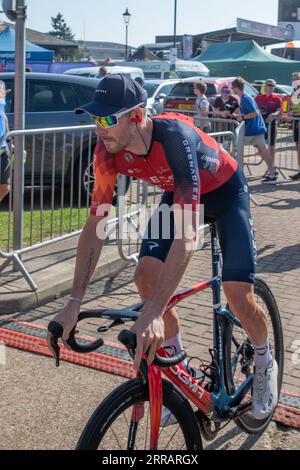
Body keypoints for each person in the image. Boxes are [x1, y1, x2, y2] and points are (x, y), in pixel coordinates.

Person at [47, 74, 278, 421]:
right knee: (145, 275)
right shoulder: (106, 152)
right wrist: (73, 302)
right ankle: (180, 374)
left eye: (108, 119)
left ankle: (264, 359)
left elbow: (186, 238)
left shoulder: (174, 138)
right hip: (181, 194)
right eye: (96, 119)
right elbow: (95, 225)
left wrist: (153, 312)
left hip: (226, 193)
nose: (99, 128)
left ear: (137, 116)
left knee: (237, 296)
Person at [231, 77, 277, 184]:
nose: (232, 90)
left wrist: (241, 117)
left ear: (237, 88)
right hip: (258, 129)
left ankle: (235, 175)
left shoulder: (245, 98)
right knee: (263, 152)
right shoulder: (246, 97)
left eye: (232, 88)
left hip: (252, 130)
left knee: (234, 148)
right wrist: (240, 115)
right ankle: (272, 174)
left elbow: (255, 113)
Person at [255, 79, 282, 176]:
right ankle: (271, 166)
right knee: (259, 147)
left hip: (271, 125)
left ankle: (270, 169)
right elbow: (253, 109)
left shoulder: (277, 98)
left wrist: (273, 114)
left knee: (271, 147)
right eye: (269, 85)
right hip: (260, 126)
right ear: (265, 86)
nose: (271, 87)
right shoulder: (258, 98)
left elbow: (279, 111)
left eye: (273, 85)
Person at [0, 81, 12, 202]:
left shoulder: (1, 85)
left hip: (3, 146)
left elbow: (3, 115)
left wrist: (9, 139)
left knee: (5, 187)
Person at [288, 78, 300, 180]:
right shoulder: (294, 93)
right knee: (298, 147)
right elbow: (290, 107)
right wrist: (289, 112)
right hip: (296, 121)